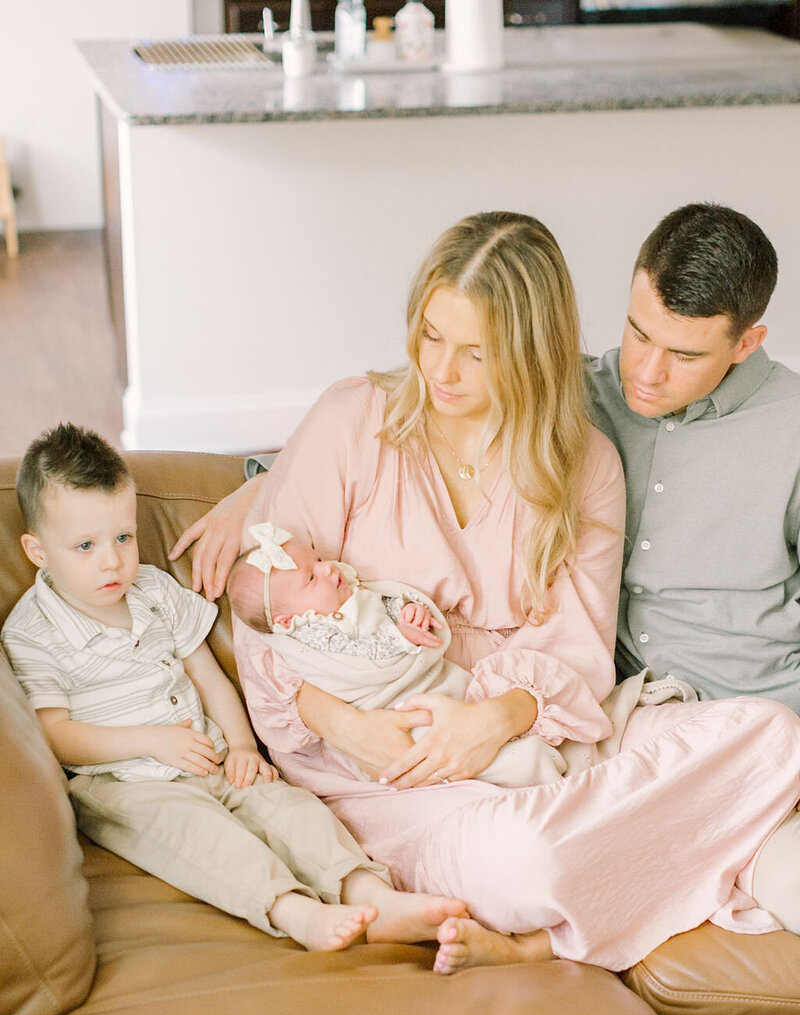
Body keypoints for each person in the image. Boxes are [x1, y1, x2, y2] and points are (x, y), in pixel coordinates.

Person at [169, 211, 800, 976]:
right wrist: (347, 725)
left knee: (771, 736)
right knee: (520, 862)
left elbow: (579, 650)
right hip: (391, 774)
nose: (443, 372)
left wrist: (494, 716)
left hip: (542, 744)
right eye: (431, 336)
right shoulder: (350, 421)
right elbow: (267, 616)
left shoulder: (585, 462)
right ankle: (641, 865)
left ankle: (606, 871)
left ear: (533, 352)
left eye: (476, 352)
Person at [1, 424, 469, 955]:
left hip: (213, 758)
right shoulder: (32, 633)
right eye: (85, 546)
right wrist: (150, 741)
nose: (112, 561)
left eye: (123, 538)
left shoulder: (152, 590)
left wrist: (243, 747)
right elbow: (55, 735)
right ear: (36, 550)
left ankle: (370, 894)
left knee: (290, 811)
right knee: (205, 840)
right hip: (126, 782)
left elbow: (205, 672)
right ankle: (297, 912)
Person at [586, 202, 800, 713]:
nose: (646, 372)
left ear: (746, 343)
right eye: (639, 334)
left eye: (684, 355)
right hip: (617, 713)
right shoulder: (576, 396)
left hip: (760, 713)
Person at [227, 521, 568, 787]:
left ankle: (524, 747)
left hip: (437, 688)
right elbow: (363, 653)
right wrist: (400, 638)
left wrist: (408, 614)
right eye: (311, 578)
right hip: (391, 714)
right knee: (439, 751)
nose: (330, 568)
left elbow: (383, 604)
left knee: (471, 716)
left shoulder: (349, 596)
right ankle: (532, 767)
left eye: (318, 559)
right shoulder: (310, 636)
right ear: (288, 621)